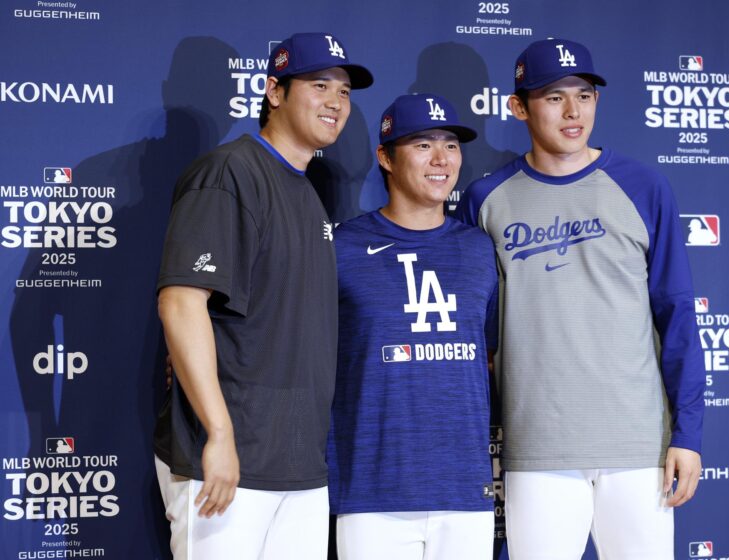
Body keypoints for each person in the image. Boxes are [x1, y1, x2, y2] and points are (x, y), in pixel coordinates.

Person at [455, 38, 705, 559]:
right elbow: (476, 332)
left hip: (638, 446)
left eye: (584, 95)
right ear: (518, 107)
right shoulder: (485, 199)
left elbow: (677, 313)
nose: (573, 111)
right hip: (537, 447)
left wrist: (688, 434)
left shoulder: (643, 186)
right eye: (554, 97)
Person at [153, 32, 372, 559]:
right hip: (226, 459)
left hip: (298, 465)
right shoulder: (230, 172)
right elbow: (181, 302)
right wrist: (219, 433)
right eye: (319, 85)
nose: (335, 101)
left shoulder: (307, 191)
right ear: (275, 92)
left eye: (344, 91)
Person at [327, 93, 499, 560]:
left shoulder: (480, 249)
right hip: (372, 493)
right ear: (386, 157)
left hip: (465, 492)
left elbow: (491, 355)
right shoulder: (342, 247)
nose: (442, 159)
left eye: (451, 145)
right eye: (423, 145)